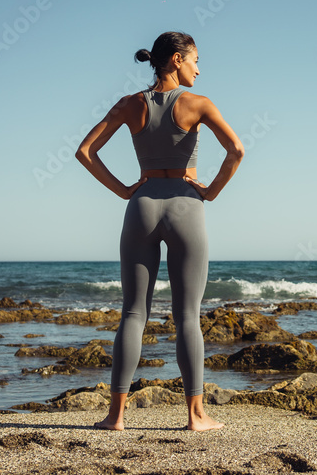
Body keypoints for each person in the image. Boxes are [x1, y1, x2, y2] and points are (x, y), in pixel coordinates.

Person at [76, 31, 244, 431]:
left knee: (133, 313)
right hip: (187, 205)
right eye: (195, 60)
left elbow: (85, 152)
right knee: (187, 316)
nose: (199, 69)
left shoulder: (130, 104)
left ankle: (115, 416)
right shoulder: (198, 104)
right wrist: (213, 191)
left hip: (142, 206)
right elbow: (236, 150)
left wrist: (124, 191)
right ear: (175, 59)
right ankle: (196, 416)